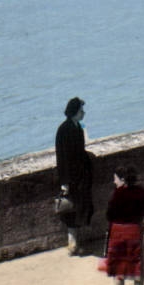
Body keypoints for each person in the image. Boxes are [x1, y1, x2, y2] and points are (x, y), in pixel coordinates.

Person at [101, 167, 144, 285]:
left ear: (123, 180)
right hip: (134, 232)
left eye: (115, 178)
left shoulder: (116, 194)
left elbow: (109, 216)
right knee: (137, 268)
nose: (113, 181)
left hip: (116, 233)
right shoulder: (142, 192)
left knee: (117, 268)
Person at [55, 97, 94, 255]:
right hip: (71, 178)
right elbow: (62, 158)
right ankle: (73, 244)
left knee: (80, 209)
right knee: (72, 210)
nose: (83, 113)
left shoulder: (77, 127)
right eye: (81, 110)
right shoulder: (64, 130)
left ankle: (75, 243)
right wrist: (64, 182)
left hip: (80, 177)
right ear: (75, 112)